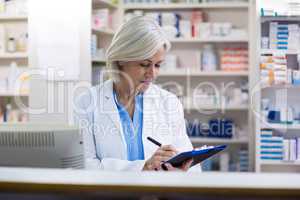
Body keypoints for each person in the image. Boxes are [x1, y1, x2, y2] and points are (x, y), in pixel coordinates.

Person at [74, 16, 201, 172]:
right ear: (121, 59)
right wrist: (142, 168)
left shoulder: (169, 102)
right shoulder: (87, 102)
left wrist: (181, 169)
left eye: (158, 65)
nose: (152, 74)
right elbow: (83, 165)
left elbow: (192, 166)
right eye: (144, 64)